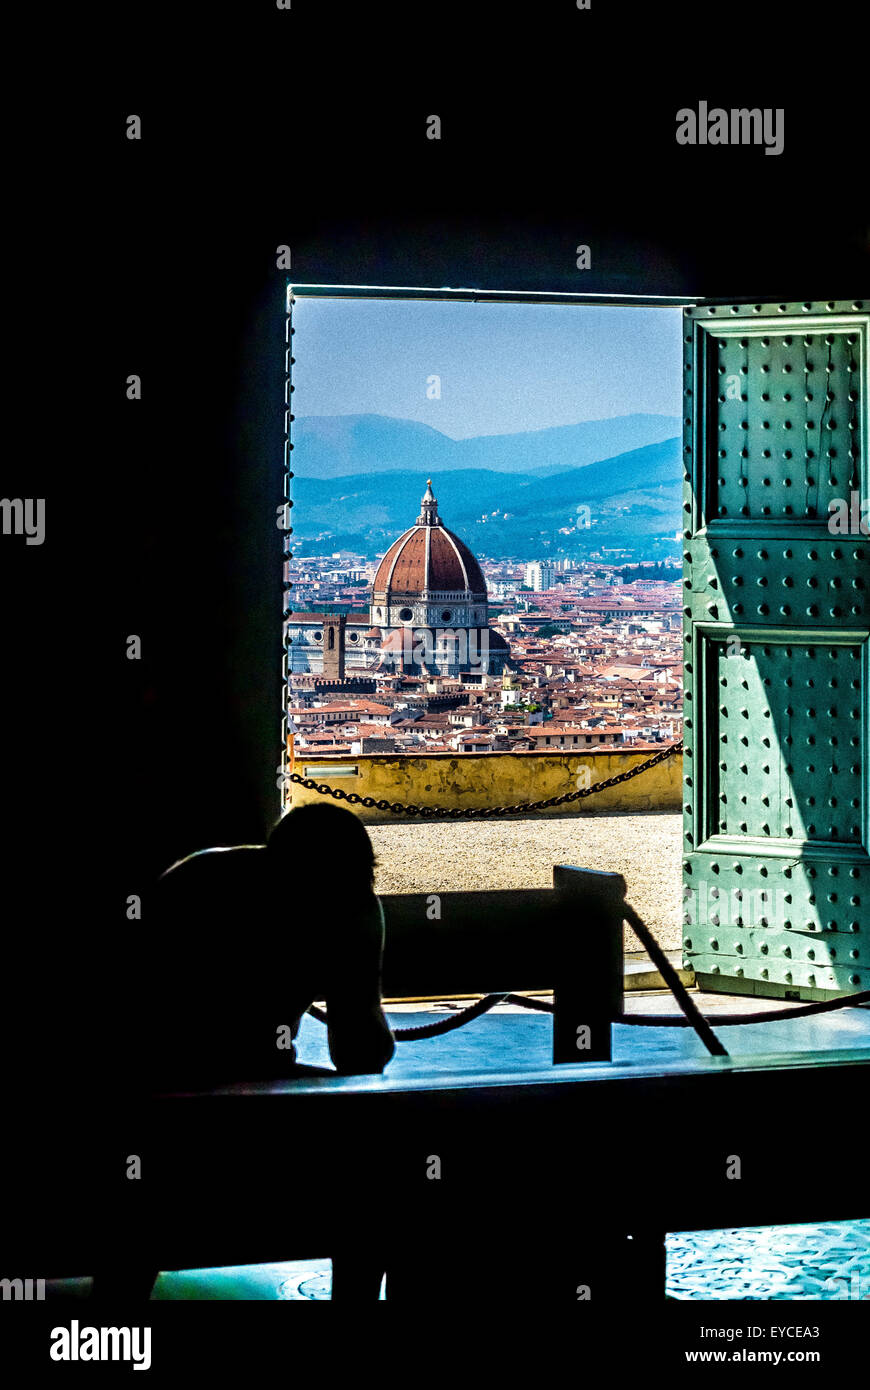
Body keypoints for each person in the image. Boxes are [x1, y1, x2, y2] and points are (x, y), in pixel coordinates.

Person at [91, 802, 394, 1301]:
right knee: (381, 1148)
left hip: (142, 1089)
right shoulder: (349, 905)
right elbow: (361, 1057)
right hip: (246, 1089)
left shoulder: (201, 876)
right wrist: (358, 959)